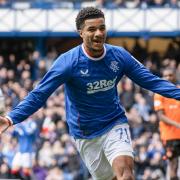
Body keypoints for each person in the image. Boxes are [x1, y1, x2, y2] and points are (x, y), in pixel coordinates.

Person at [0, 7, 179, 180]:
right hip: (84, 133)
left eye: (102, 28)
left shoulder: (119, 56)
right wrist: (11, 118)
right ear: (81, 33)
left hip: (114, 122)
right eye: (92, 29)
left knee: (126, 174)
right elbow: (39, 94)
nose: (99, 33)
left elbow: (151, 81)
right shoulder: (68, 62)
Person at [154, 68, 180, 180]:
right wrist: (178, 125)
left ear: (175, 76)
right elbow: (160, 116)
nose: (168, 77)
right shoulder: (159, 93)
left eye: (170, 75)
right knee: (173, 165)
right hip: (169, 136)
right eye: (166, 75)